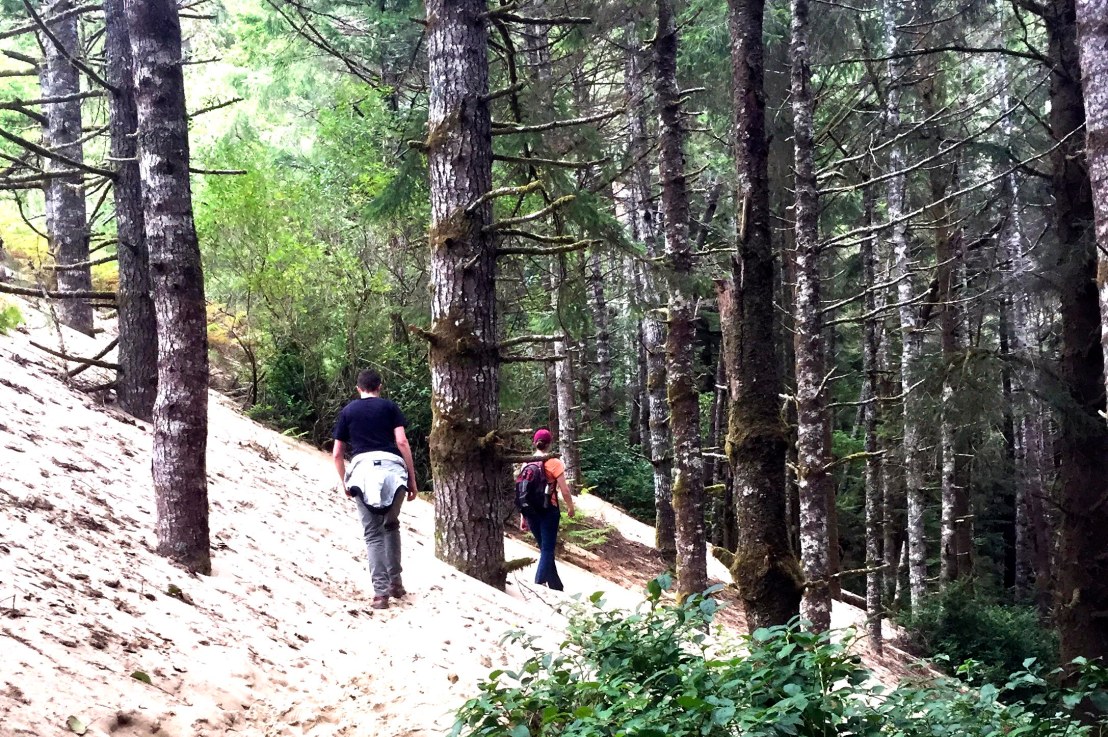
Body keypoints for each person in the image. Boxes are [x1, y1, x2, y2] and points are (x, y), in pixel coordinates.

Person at [332, 368, 418, 610]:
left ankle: (380, 594)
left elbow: (337, 453)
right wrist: (412, 479)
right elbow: (401, 441)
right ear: (379, 387)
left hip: (363, 473)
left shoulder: (348, 411)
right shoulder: (390, 407)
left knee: (372, 534)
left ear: (358, 388)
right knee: (391, 525)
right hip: (393, 471)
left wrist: (345, 482)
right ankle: (396, 584)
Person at [519, 428, 575, 591]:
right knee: (548, 548)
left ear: (534, 443)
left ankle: (556, 585)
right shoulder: (554, 463)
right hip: (548, 509)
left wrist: (523, 516)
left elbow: (523, 491)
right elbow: (564, 490)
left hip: (530, 511)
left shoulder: (527, 462)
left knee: (545, 548)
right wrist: (570, 508)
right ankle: (539, 583)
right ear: (550, 443)